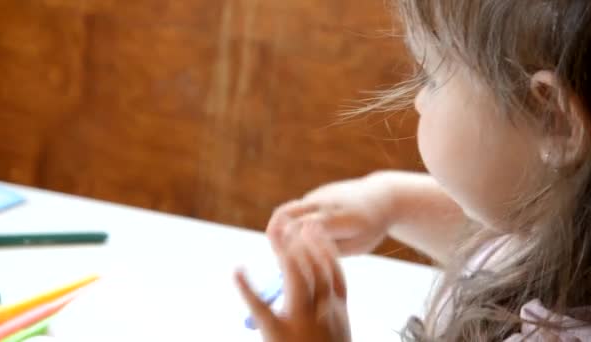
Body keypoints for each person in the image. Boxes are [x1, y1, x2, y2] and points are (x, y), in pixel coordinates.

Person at [235, 0, 591, 341]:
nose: (419, 101)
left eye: (431, 79)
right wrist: (391, 203)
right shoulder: (561, 233)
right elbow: (510, 243)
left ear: (554, 120)